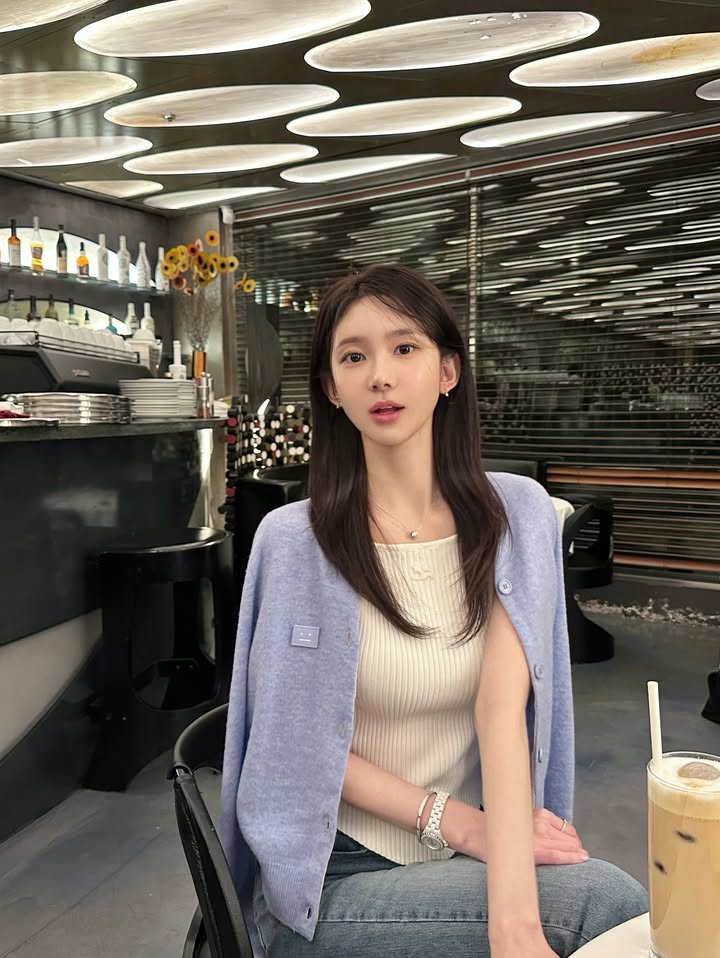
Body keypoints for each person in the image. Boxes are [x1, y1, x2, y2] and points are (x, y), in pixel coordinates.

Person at [220, 264, 647, 958]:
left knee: (594, 908)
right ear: (331, 389)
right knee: (607, 904)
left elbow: (500, 713)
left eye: (404, 348)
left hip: (462, 853)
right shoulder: (295, 540)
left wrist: (515, 925)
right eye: (353, 357)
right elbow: (295, 742)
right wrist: (462, 825)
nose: (380, 376)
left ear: (448, 370)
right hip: (331, 875)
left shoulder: (515, 516)